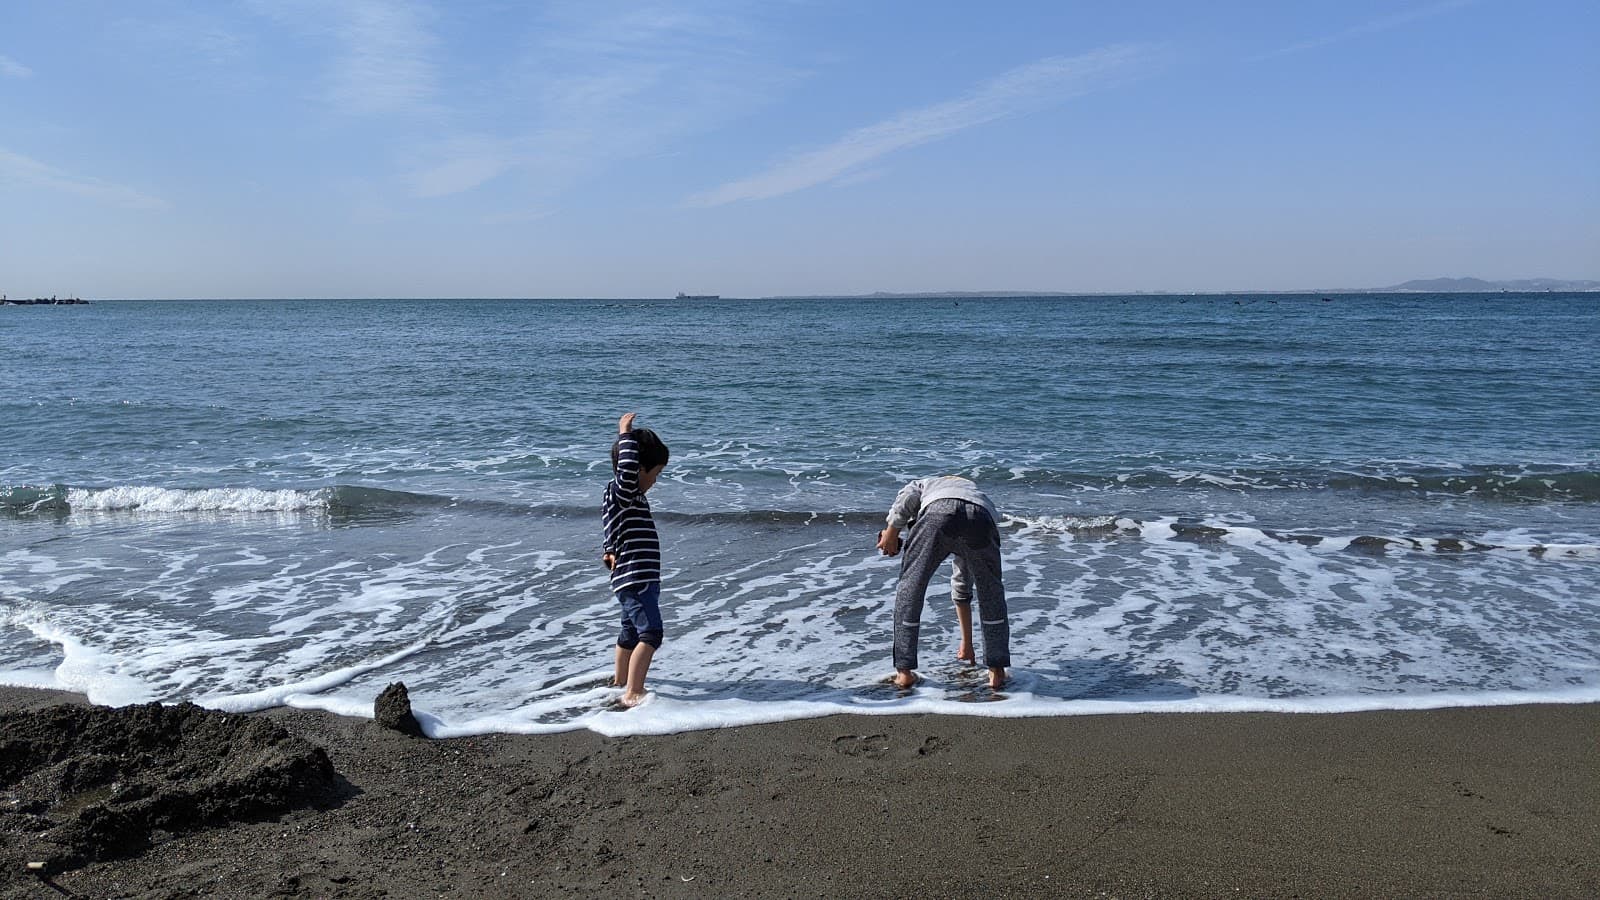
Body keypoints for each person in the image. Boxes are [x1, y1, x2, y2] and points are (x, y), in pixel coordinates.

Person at [876, 475, 1010, 689]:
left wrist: (892, 530)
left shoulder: (925, 483)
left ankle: (904, 672)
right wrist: (967, 643)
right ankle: (996, 671)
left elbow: (908, 496)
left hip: (937, 513)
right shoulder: (975, 495)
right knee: (991, 593)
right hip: (981, 519)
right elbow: (962, 585)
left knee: (910, 588)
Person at [601, 412, 670, 707]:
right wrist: (625, 433)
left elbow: (613, 527)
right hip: (636, 577)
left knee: (629, 633)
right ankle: (633, 692)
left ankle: (619, 681)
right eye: (653, 475)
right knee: (651, 633)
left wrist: (609, 548)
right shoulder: (623, 490)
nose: (653, 482)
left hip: (637, 578)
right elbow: (627, 469)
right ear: (637, 469)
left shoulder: (628, 499)